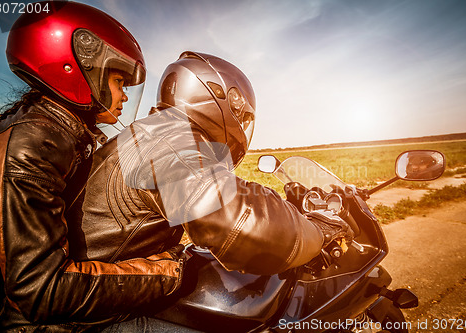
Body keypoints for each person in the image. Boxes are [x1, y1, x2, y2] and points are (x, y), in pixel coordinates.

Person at [69, 51, 354, 282]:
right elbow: (242, 224)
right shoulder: (165, 141)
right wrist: (319, 231)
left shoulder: (152, 134)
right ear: (224, 100)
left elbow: (217, 193)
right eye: (241, 117)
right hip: (89, 322)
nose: (241, 126)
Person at [0, 2, 184, 332]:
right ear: (77, 65)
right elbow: (39, 291)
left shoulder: (56, 132)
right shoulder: (34, 144)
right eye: (119, 80)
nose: (124, 97)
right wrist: (165, 273)